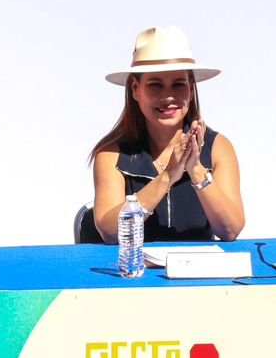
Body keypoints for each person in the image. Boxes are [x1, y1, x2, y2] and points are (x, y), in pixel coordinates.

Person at [87, 26, 245, 244]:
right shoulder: (111, 154)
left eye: (178, 85)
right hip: (135, 266)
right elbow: (110, 231)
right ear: (135, 89)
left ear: (191, 89)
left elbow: (230, 230)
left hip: (198, 267)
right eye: (155, 85)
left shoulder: (218, 147)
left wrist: (196, 170)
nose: (168, 96)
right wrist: (168, 176)